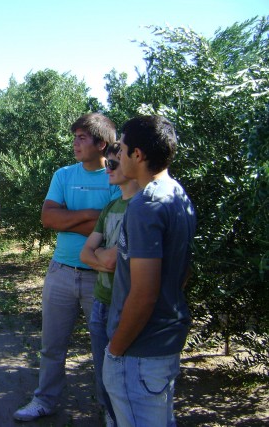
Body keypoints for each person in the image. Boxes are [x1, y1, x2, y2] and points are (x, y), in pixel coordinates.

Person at [14, 113, 121, 422]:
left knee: (104, 349)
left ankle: (108, 409)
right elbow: (48, 219)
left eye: (82, 138)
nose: (75, 143)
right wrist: (91, 215)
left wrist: (70, 216)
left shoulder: (115, 176)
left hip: (99, 276)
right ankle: (45, 400)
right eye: (74, 137)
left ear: (102, 144)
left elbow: (111, 229)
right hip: (61, 271)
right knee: (51, 345)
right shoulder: (63, 175)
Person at [103, 115, 196, 427]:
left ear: (138, 155)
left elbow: (143, 294)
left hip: (138, 350)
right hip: (165, 340)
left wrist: (115, 351)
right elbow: (182, 271)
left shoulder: (145, 205)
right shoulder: (177, 194)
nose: (117, 155)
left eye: (123, 148)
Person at [80, 142, 140, 427]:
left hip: (123, 303)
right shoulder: (111, 206)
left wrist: (101, 255)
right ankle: (110, 419)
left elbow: (112, 259)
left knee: (124, 376)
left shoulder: (140, 208)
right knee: (103, 373)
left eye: (113, 164)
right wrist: (104, 257)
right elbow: (85, 253)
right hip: (100, 300)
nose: (108, 170)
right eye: (107, 164)